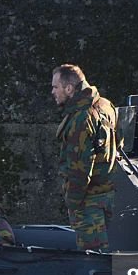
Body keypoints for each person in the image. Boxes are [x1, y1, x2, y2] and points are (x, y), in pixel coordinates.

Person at [50, 64, 118, 250]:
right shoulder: (105, 106)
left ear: (69, 88)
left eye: (56, 87)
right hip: (107, 196)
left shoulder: (81, 118)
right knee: (104, 254)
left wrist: (73, 203)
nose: (53, 92)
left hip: (89, 202)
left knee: (93, 260)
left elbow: (80, 169)